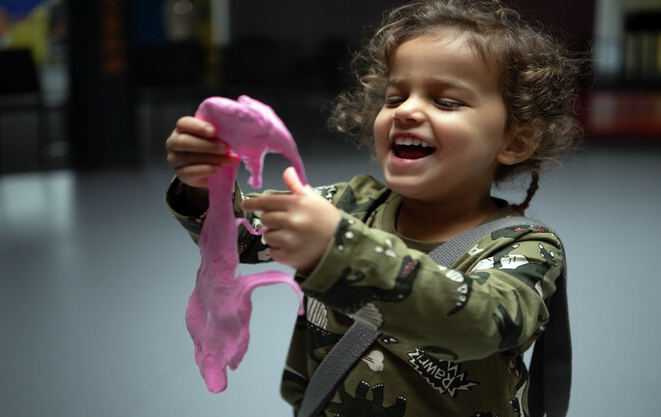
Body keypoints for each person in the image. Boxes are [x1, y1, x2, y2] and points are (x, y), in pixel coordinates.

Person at [164, 0, 582, 415]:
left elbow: (483, 325)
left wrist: (341, 249)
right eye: (395, 97)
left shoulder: (523, 247)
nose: (407, 111)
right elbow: (239, 238)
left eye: (447, 101)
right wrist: (206, 184)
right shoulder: (348, 205)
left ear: (514, 142)